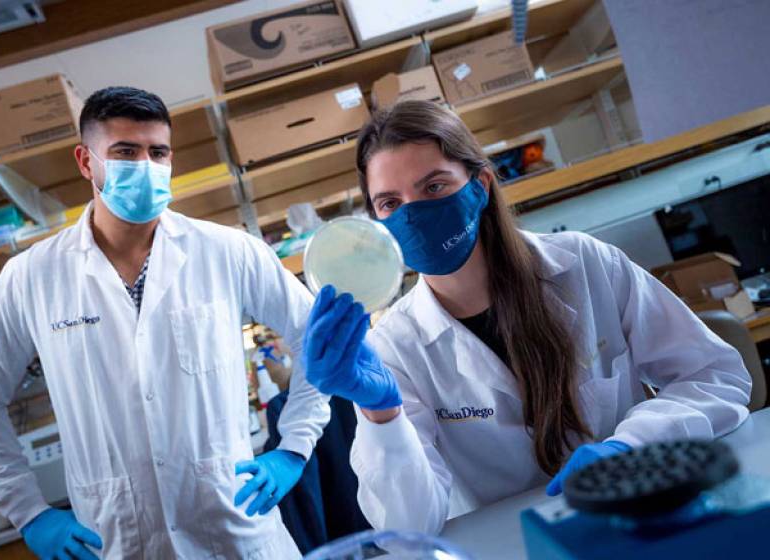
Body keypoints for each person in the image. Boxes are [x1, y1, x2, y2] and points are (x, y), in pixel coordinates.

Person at [302, 100, 752, 535]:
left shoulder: (585, 263)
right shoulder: (396, 345)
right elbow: (408, 524)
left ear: (480, 185)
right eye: (390, 204)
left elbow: (716, 375)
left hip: (641, 512)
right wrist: (382, 414)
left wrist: (628, 447)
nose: (413, 215)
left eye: (434, 187)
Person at [0, 87, 329, 559]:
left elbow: (320, 339)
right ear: (87, 162)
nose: (145, 166)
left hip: (237, 533)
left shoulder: (228, 251)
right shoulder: (32, 277)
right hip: (118, 540)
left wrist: (294, 446)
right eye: (125, 152)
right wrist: (30, 511)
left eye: (158, 152)